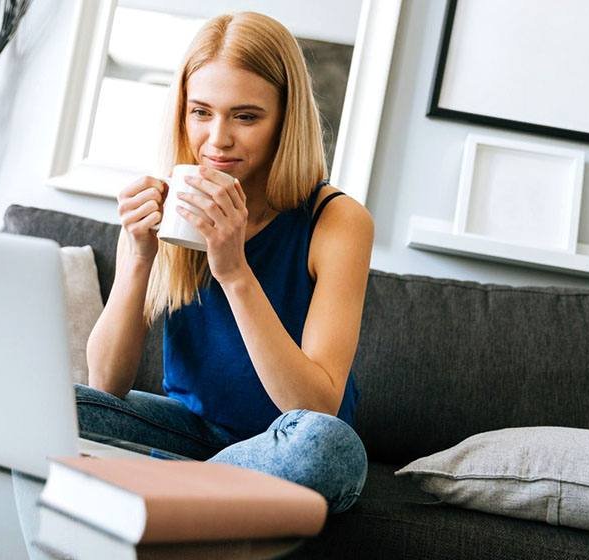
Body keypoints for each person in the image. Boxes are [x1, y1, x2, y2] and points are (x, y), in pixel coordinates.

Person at [82, 11, 374, 513]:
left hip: (284, 446)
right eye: (201, 112)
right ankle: (194, 498)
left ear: (286, 119)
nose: (217, 139)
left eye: (245, 116)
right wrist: (137, 255)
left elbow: (317, 406)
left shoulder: (337, 221)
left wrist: (234, 269)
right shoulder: (171, 202)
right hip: (188, 435)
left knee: (330, 448)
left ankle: (160, 501)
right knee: (56, 407)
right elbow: (106, 387)